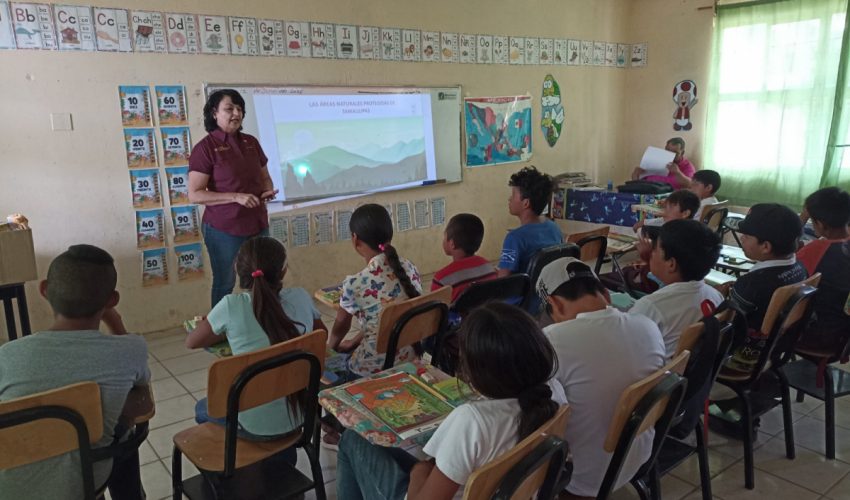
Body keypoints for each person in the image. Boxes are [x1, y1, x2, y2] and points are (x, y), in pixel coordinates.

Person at [336, 303, 563, 500]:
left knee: (351, 439)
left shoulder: (472, 420)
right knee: (380, 446)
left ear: (479, 371)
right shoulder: (552, 394)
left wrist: (419, 470)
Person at [0, 245, 150, 500]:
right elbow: (141, 384)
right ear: (112, 300)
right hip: (85, 481)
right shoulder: (130, 349)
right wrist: (114, 321)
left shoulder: (7, 354)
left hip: (11, 488)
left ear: (44, 290)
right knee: (123, 428)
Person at [185, 236, 325, 463]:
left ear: (237, 269)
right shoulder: (300, 296)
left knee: (202, 408)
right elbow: (321, 335)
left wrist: (218, 326)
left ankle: (251, 467)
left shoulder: (231, 306)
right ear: (283, 271)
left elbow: (192, 341)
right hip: (301, 415)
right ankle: (283, 468)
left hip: (253, 425)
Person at [536, 257, 666, 498]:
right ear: (606, 294)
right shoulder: (647, 326)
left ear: (554, 303)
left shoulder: (553, 341)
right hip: (639, 456)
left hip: (582, 478)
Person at [189, 89, 279, 307]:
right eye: (229, 109)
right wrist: (235, 197)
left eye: (240, 109)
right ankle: (220, 333)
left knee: (263, 278)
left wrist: (267, 190)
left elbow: (265, 177)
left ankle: (265, 321)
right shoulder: (205, 148)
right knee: (225, 282)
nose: (236, 113)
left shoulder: (251, 142)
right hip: (224, 228)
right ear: (214, 113)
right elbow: (195, 194)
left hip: (257, 224)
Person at [329, 204, 423, 377]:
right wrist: (355, 341)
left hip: (372, 369)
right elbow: (384, 318)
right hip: (411, 358)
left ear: (355, 239)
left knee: (332, 370)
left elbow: (341, 326)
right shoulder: (410, 268)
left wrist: (331, 348)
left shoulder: (354, 284)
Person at [725, 204, 808, 372]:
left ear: (765, 247)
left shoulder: (752, 284)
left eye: (746, 236)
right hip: (775, 350)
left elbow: (727, 324)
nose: (742, 239)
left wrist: (723, 299)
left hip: (742, 359)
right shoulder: (801, 268)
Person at [631, 219, 724, 357]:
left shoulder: (651, 307)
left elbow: (626, 349)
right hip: (690, 373)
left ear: (671, 264)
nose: (651, 254)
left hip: (659, 375)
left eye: (655, 249)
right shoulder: (716, 296)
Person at [795, 187, 850, 352]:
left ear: (818, 224)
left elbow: (789, 282)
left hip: (817, 334)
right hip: (844, 336)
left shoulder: (817, 250)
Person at [496, 166, 562, 278]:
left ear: (526, 203)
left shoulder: (514, 238)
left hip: (523, 295)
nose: (509, 199)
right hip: (548, 293)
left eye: (513, 195)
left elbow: (503, 281)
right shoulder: (554, 228)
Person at [431, 213, 497, 302]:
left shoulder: (442, 279)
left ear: (452, 243)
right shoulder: (489, 268)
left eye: (444, 236)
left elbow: (437, 312)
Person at [631, 137, 696, 190]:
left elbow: (690, 184)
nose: (670, 155)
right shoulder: (654, 160)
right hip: (647, 195)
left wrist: (678, 173)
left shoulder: (687, 166)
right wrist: (635, 175)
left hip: (671, 199)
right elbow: (637, 186)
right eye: (668, 151)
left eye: (675, 153)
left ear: (682, 153)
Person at [634, 189, 701, 231]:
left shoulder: (681, 234)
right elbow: (637, 226)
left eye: (671, 206)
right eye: (665, 206)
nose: (665, 210)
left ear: (685, 213)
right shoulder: (669, 219)